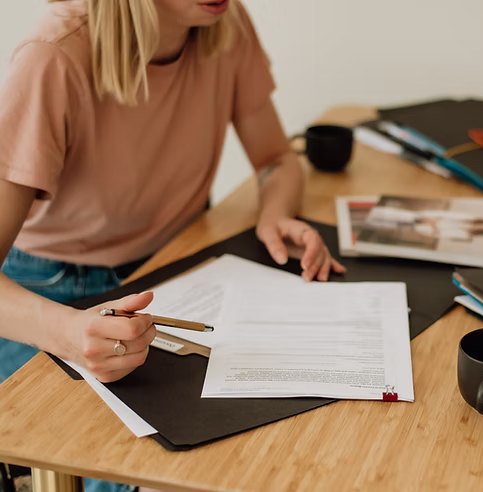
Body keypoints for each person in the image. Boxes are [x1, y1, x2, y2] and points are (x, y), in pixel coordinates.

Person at [0, 1, 344, 490]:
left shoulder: (224, 21)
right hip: (52, 287)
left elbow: (275, 159)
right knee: (122, 469)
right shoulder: (52, 56)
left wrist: (276, 213)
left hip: (176, 264)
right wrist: (65, 333)